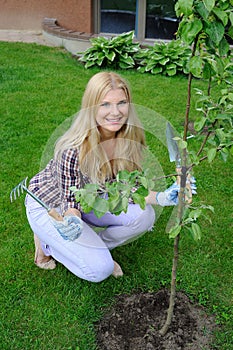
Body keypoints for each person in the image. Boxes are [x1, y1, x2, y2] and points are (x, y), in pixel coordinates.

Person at [25, 71, 195, 282]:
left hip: (93, 197)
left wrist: (162, 197)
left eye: (121, 103)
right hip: (51, 205)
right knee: (99, 271)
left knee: (145, 216)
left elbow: (128, 187)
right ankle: (48, 243)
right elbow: (70, 202)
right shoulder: (73, 149)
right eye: (105, 104)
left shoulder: (128, 137)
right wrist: (73, 222)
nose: (115, 112)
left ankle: (93, 247)